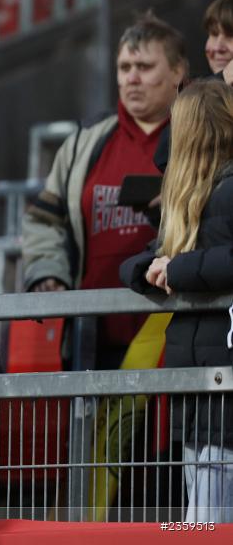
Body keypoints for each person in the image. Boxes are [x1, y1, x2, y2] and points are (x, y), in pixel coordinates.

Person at [21, 13, 187, 369]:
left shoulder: (198, 138)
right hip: (91, 334)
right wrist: (49, 272)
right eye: (124, 67)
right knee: (96, 428)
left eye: (145, 66)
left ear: (178, 72)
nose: (132, 78)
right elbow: (43, 221)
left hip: (171, 329)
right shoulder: (85, 141)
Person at [120, 80, 233, 522]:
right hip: (199, 397)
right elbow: (144, 258)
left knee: (206, 525)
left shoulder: (225, 191)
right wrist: (148, 270)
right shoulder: (193, 200)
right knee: (198, 522)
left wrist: (178, 269)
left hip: (221, 397)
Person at [153, 0, 233, 173]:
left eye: (230, 35)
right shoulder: (201, 87)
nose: (217, 47)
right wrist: (220, 82)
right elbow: (164, 158)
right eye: (213, 34)